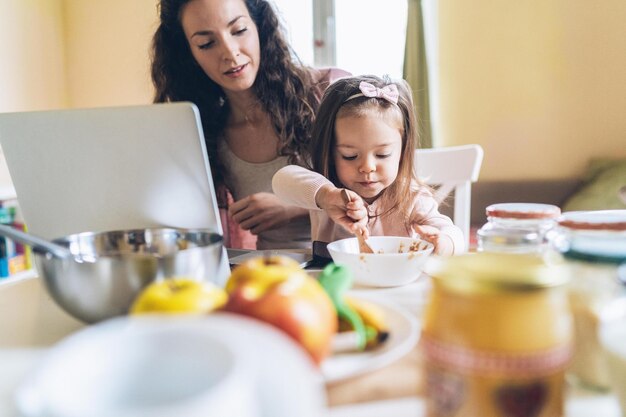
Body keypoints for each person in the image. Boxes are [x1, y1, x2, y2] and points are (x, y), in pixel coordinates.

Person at [151, 0, 349, 249]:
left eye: (239, 30)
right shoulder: (206, 133)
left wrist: (295, 207)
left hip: (349, 263)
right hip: (268, 274)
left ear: (259, 27)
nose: (230, 52)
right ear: (188, 54)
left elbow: (389, 187)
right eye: (207, 43)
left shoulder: (327, 92)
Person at [272, 75, 465, 255]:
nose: (367, 167)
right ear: (330, 152)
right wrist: (325, 195)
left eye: (382, 154)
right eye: (350, 156)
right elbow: (282, 180)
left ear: (402, 151)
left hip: (394, 288)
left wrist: (445, 241)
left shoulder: (411, 197)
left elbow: (455, 233)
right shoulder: (326, 194)